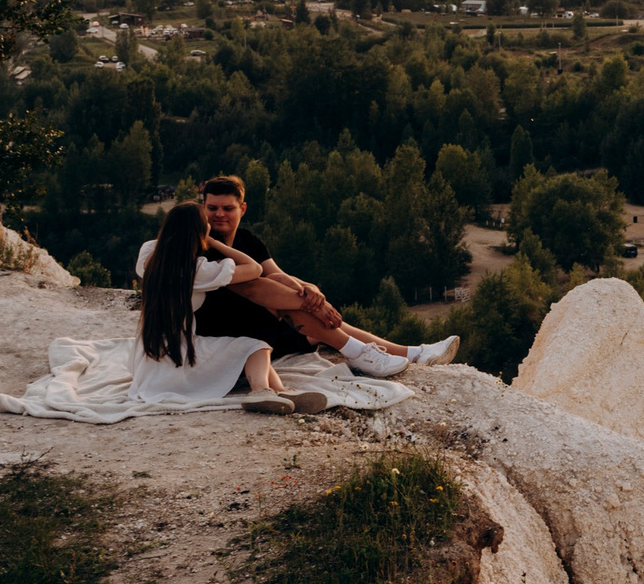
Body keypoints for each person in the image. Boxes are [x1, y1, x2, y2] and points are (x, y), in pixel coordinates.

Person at [192, 175, 456, 377]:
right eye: (212, 208)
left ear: (242, 209)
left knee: (319, 320)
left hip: (260, 322)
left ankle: (411, 353)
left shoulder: (247, 239)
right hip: (224, 331)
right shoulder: (201, 247)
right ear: (203, 207)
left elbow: (278, 274)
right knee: (305, 310)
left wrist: (310, 290)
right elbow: (255, 286)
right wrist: (309, 302)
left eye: (227, 208)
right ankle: (393, 354)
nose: (219, 215)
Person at [132, 204, 316, 414]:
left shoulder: (148, 255)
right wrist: (214, 243)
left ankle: (280, 391)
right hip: (177, 358)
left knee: (248, 348)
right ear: (200, 231)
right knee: (255, 346)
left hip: (150, 354)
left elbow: (166, 246)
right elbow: (255, 268)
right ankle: (261, 391)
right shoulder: (197, 270)